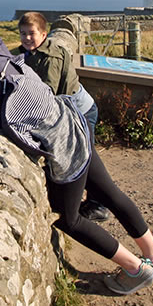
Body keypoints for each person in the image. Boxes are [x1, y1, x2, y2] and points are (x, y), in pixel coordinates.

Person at [0, 23, 153, 295]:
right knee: (110, 193)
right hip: (73, 124)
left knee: (68, 217)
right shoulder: (0, 55)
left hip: (64, 144)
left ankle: (136, 269)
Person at [17, 12, 110, 222]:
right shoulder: (30, 53)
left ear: (44, 34)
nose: (27, 38)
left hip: (82, 111)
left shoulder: (51, 58)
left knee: (85, 158)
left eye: (32, 33)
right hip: (70, 110)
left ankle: (100, 205)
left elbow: (47, 93)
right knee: (83, 156)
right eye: (23, 33)